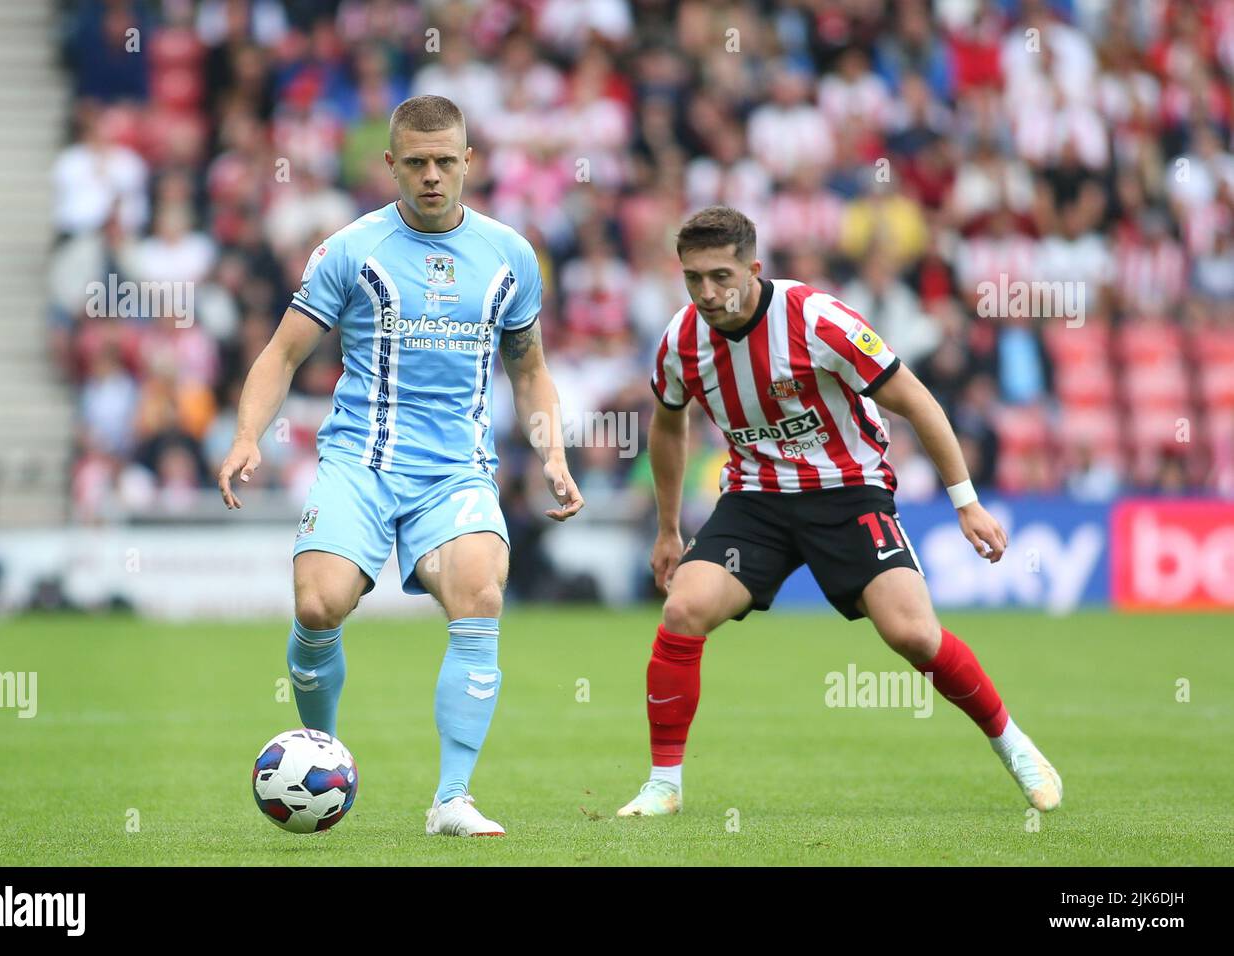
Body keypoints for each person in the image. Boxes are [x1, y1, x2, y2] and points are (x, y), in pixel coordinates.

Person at [617, 205, 1061, 816]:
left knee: (911, 633)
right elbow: (668, 427)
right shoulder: (680, 341)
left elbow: (916, 400)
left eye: (721, 276)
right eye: (694, 278)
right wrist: (669, 528)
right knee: (683, 609)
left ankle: (1014, 746)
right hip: (757, 499)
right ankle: (664, 785)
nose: (708, 292)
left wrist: (967, 503)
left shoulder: (817, 320)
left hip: (848, 491)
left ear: (754, 267)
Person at [218, 95, 584, 837]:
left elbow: (530, 367)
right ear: (390, 164)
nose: (431, 176)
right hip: (361, 461)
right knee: (318, 606)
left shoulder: (511, 254)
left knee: (480, 595)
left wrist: (552, 450)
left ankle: (451, 799)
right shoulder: (349, 250)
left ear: (469, 162)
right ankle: (322, 749)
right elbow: (282, 353)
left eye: (446, 161)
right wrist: (246, 436)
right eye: (415, 162)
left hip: (455, 470)